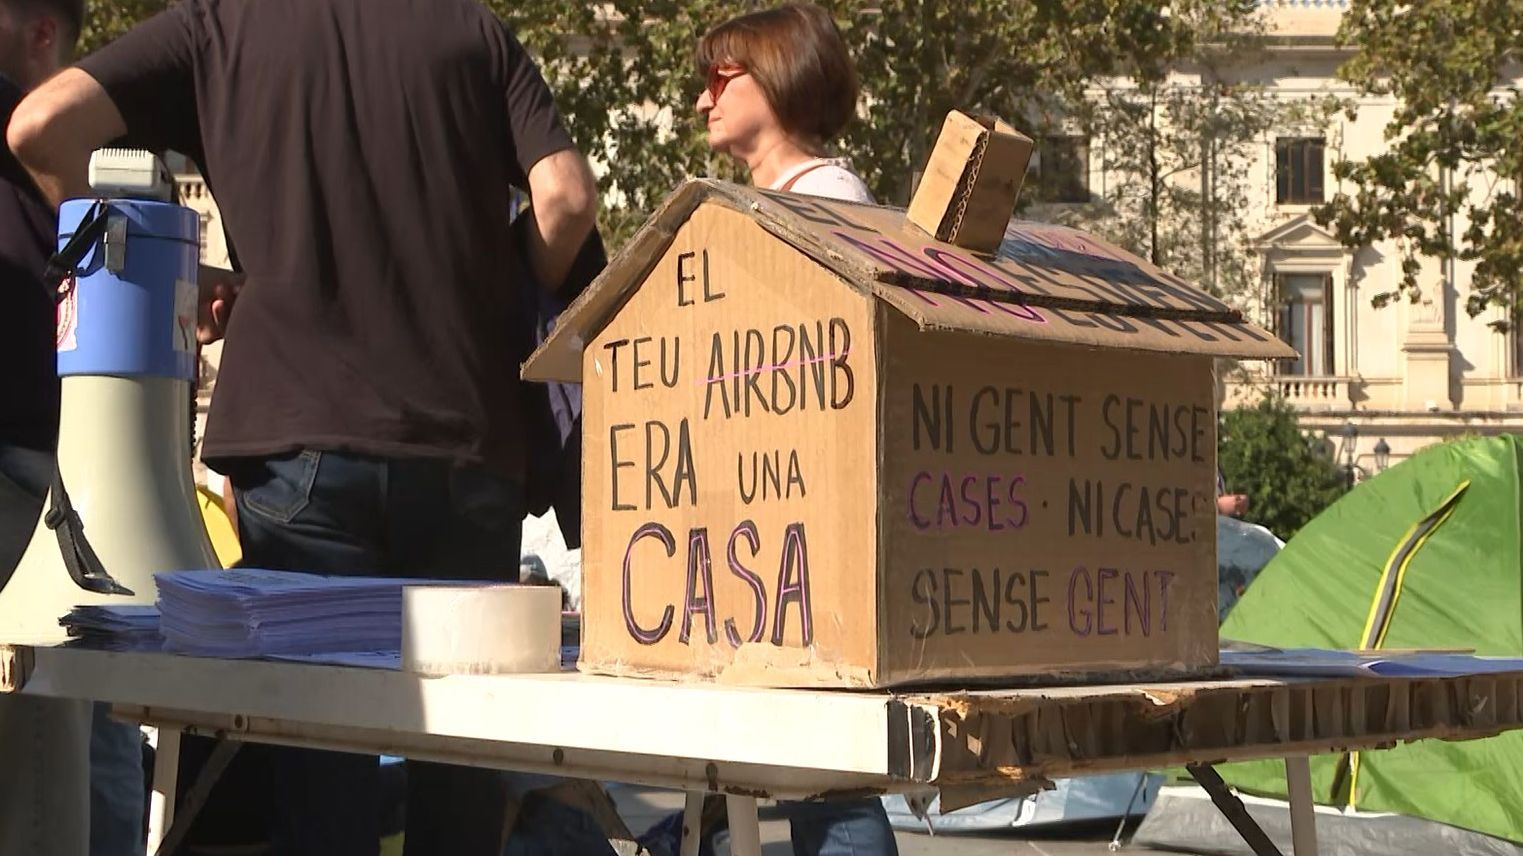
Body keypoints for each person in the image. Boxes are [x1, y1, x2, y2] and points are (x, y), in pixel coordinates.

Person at [9, 0, 598, 853]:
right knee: (464, 759)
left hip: (297, 439)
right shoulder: (470, 30)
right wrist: (493, 301)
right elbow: (567, 199)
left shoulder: (218, 26)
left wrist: (167, 263)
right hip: (466, 438)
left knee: (320, 768)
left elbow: (41, 126)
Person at [691, 7, 897, 856]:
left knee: (827, 790)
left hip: (810, 545)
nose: (702, 99)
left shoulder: (826, 204)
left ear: (777, 75)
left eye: (720, 76)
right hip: (769, 541)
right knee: (774, 785)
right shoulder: (778, 204)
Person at [0, 4, 152, 856]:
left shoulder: (57, 146)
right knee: (63, 737)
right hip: (42, 477)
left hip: (57, 482)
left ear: (39, 34)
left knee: (76, 740)